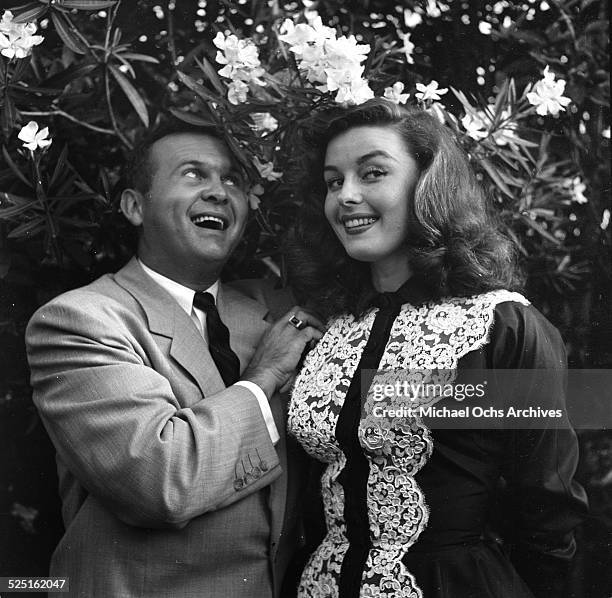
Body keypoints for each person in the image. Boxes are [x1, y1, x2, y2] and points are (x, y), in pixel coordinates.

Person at [285, 99, 588, 598]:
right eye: (333, 181)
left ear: (428, 185)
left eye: (373, 173)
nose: (346, 196)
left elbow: (546, 511)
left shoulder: (502, 327)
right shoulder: (328, 326)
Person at [25, 121, 323, 597]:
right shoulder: (80, 320)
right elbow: (159, 480)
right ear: (134, 207)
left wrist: (485, 386)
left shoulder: (274, 320)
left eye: (233, 180)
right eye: (193, 175)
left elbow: (384, 414)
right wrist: (263, 377)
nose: (219, 193)